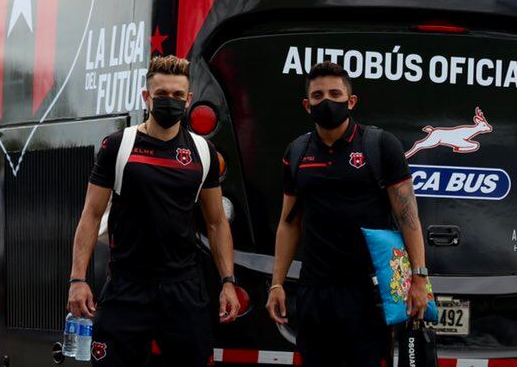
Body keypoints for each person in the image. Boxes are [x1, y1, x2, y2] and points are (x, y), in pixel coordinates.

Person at [67, 55, 239, 366]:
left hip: (184, 290)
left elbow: (216, 222)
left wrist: (228, 281)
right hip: (127, 288)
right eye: (161, 94)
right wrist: (77, 280)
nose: (169, 101)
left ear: (188, 100)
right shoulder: (118, 146)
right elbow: (90, 215)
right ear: (147, 97)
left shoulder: (203, 152)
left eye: (177, 95)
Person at [265, 61, 428, 367]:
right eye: (318, 96)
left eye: (335, 94)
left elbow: (409, 218)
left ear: (351, 101)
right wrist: (277, 284)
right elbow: (289, 224)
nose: (326, 101)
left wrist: (420, 280)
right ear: (307, 105)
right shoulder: (297, 152)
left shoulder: (380, 145)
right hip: (314, 290)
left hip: (367, 292)